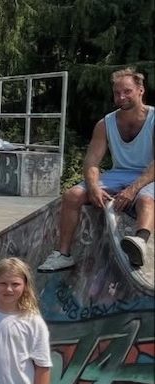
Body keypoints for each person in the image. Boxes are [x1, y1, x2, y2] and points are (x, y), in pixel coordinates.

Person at [39, 67, 154, 271]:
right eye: (117, 93)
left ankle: (140, 242)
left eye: (127, 91)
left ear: (140, 90)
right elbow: (92, 161)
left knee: (146, 199)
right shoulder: (105, 123)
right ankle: (62, 254)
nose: (121, 97)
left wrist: (132, 189)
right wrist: (93, 187)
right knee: (72, 195)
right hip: (119, 174)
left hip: (149, 175)